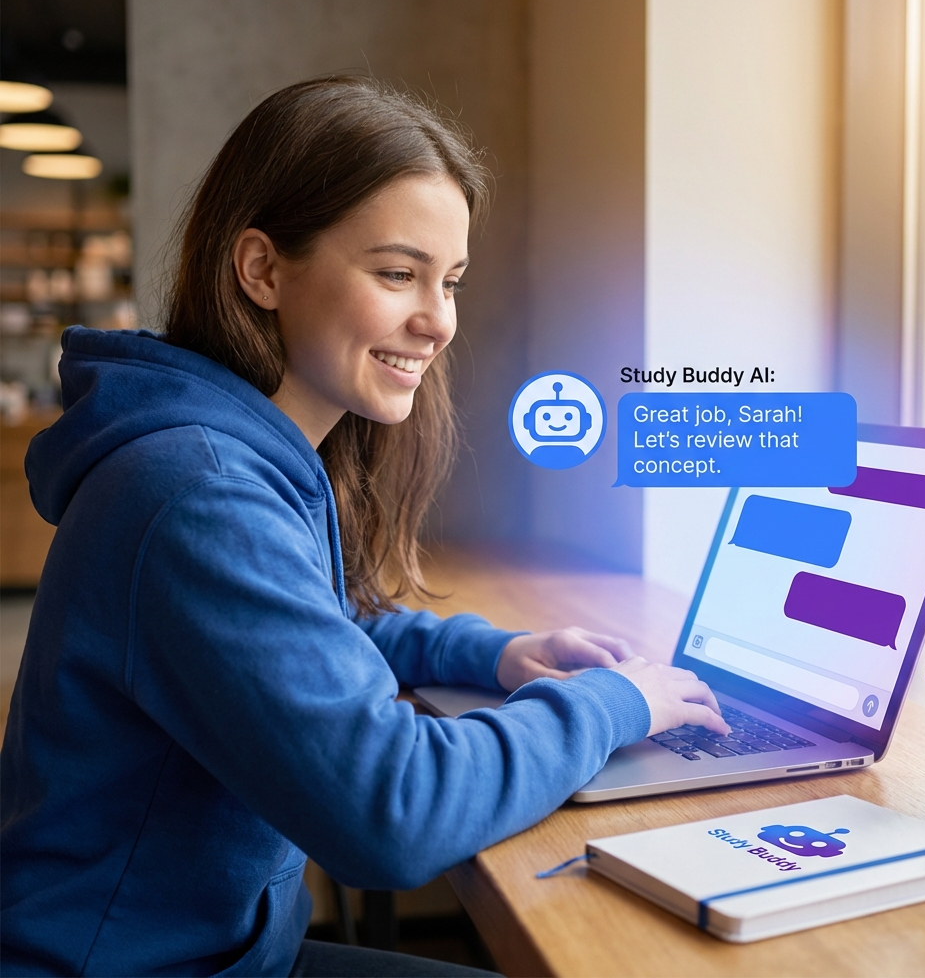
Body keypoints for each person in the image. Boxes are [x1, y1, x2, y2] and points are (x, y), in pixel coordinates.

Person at [0, 76, 729, 977]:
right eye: (398, 274)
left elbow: (310, 634)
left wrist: (492, 656)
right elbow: (395, 815)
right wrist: (612, 706)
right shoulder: (197, 493)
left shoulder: (229, 454)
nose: (437, 321)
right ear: (262, 269)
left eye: (450, 280)